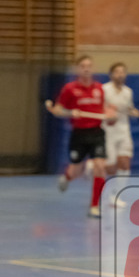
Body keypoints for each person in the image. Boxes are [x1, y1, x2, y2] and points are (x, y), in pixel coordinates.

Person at [46, 55, 110, 218]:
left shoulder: (99, 89)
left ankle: (95, 206)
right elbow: (58, 110)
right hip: (79, 135)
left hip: (97, 133)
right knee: (76, 170)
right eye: (83, 66)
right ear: (77, 69)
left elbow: (106, 109)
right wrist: (69, 112)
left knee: (100, 167)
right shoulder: (69, 89)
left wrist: (110, 116)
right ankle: (66, 177)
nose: (86, 69)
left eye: (89, 66)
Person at [101, 62, 139, 193]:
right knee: (111, 166)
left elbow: (129, 108)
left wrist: (134, 112)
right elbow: (98, 108)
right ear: (111, 74)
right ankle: (105, 187)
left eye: (123, 72)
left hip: (124, 131)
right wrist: (107, 113)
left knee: (125, 163)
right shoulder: (104, 90)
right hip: (108, 132)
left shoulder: (128, 92)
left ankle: (117, 193)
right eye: (117, 72)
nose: (120, 75)